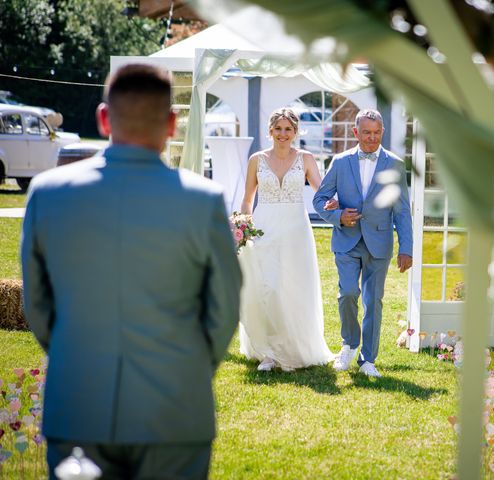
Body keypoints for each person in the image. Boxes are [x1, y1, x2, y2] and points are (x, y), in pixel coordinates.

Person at [21, 63, 242, 480]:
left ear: (104, 118)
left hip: (79, 403)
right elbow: (224, 310)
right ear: (173, 123)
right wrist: (187, 367)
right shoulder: (204, 201)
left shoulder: (47, 194)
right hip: (175, 409)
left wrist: (76, 355)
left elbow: (37, 302)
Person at [313, 109, 413, 378]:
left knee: (374, 300)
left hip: (379, 241)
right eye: (366, 132)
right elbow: (319, 199)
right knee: (347, 293)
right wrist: (337, 216)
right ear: (355, 132)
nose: (371, 138)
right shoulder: (340, 161)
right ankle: (349, 343)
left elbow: (402, 210)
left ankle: (368, 358)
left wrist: (406, 248)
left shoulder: (394, 164)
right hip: (346, 241)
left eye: (376, 132)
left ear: (383, 132)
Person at [238, 107, 335, 371]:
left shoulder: (305, 159)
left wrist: (335, 205)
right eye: (278, 129)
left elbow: (321, 192)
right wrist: (242, 227)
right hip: (264, 228)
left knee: (292, 287)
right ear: (270, 131)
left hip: (295, 231)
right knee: (268, 287)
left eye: (288, 129)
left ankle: (294, 347)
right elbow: (247, 200)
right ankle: (269, 352)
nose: (283, 134)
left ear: (295, 132)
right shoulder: (256, 160)